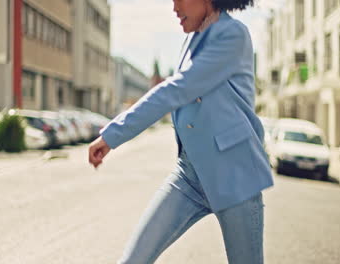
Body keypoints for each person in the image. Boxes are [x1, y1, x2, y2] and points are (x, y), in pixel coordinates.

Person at [88, 0, 274, 263]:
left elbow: (178, 89)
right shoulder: (192, 40)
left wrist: (113, 134)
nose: (174, 8)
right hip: (189, 176)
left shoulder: (233, 34)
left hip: (235, 174)